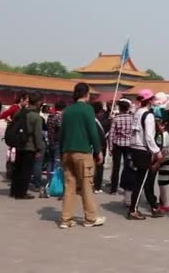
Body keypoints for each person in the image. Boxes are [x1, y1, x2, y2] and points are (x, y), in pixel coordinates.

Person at [59, 83, 106, 228]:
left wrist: (62, 152)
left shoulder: (67, 110)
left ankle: (66, 219)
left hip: (67, 151)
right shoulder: (87, 109)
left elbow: (62, 134)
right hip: (82, 152)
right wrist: (98, 151)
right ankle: (90, 218)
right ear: (86, 94)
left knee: (69, 186)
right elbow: (92, 132)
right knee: (87, 186)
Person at [128, 89, 163, 220]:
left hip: (135, 147)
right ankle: (133, 210)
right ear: (149, 100)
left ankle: (152, 206)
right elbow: (149, 136)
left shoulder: (137, 113)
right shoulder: (148, 115)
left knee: (142, 180)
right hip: (143, 149)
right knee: (141, 181)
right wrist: (157, 151)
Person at [10, 92, 44, 200]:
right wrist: (39, 148)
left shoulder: (20, 112)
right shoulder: (36, 117)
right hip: (29, 146)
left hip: (18, 144)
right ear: (38, 102)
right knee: (26, 170)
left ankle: (14, 191)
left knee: (18, 169)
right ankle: (22, 192)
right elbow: (37, 135)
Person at [108, 99, 133, 194]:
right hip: (129, 145)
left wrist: (110, 147)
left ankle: (113, 189)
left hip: (117, 144)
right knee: (128, 167)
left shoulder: (116, 119)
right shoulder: (132, 118)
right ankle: (126, 187)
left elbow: (111, 134)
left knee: (116, 167)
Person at [43, 100, 65, 197]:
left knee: (50, 162)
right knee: (56, 163)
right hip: (57, 143)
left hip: (50, 142)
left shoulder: (50, 117)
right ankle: (53, 184)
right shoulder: (59, 117)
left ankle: (48, 181)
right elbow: (61, 129)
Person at [92, 101, 109, 194]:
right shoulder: (94, 121)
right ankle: (97, 185)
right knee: (98, 166)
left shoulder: (98, 121)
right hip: (98, 147)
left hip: (97, 146)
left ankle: (96, 184)